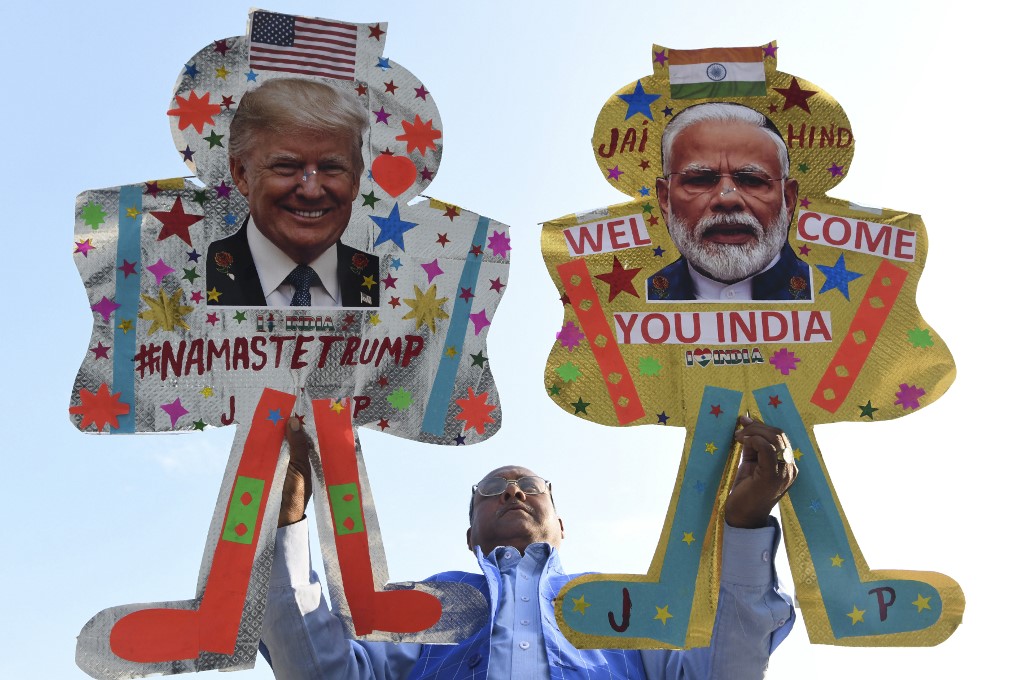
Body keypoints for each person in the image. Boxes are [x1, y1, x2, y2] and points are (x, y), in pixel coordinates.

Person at [260, 416, 797, 678]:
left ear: (561, 525)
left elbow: (724, 671)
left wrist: (744, 525)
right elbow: (319, 671)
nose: (513, 492)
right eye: (492, 489)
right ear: (470, 535)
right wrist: (288, 524)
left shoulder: (625, 606)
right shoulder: (422, 605)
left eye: (530, 486)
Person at [206, 78, 379, 308]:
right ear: (241, 174)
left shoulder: (393, 283)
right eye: (286, 166)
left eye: (331, 168)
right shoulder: (188, 280)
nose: (311, 190)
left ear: (355, 181)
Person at [647, 102, 810, 303]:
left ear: (788, 199)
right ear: (665, 199)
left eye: (752, 181)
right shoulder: (632, 303)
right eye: (700, 180)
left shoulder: (834, 299)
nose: (727, 198)